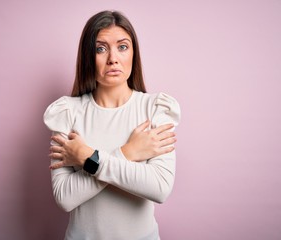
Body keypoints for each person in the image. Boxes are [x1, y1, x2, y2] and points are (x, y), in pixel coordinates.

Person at [43, 10, 181, 240]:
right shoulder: (67, 113)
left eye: (122, 47)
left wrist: (88, 158)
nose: (113, 58)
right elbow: (65, 198)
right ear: (88, 57)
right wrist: (128, 152)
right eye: (101, 48)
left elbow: (159, 187)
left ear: (134, 53)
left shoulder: (156, 109)